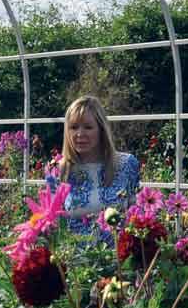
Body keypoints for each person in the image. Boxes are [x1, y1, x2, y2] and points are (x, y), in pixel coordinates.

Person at [58, 95, 141, 238]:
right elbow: (53, 224)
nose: (79, 134)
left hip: (119, 255)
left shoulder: (126, 164)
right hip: (74, 257)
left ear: (101, 129)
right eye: (73, 127)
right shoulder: (60, 170)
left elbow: (139, 214)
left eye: (88, 127)